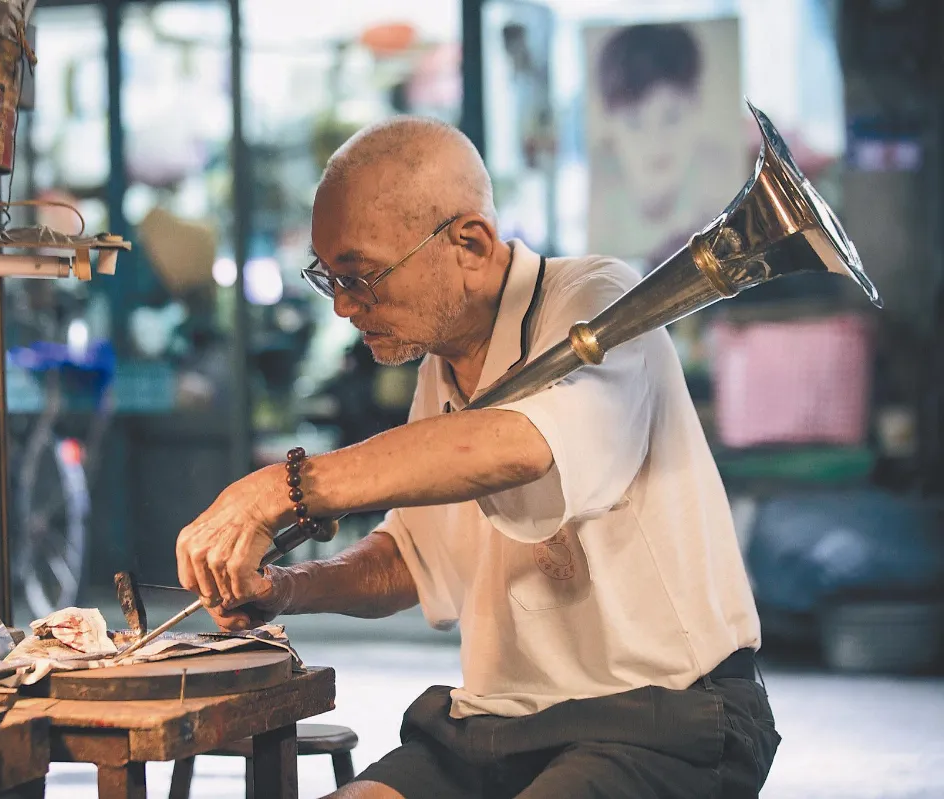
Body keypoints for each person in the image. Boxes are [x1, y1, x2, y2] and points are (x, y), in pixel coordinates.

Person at [174, 116, 780, 798]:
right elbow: (411, 557)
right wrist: (284, 589)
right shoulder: (443, 364)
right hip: (500, 726)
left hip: (664, 717)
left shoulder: (599, 303)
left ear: (470, 242)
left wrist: (285, 488)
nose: (344, 305)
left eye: (362, 275)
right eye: (329, 277)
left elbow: (520, 445)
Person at [588, 22, 742, 269]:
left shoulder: (723, 180)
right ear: (609, 122)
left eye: (672, 117)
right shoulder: (597, 197)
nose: (655, 140)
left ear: (697, 105)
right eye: (634, 122)